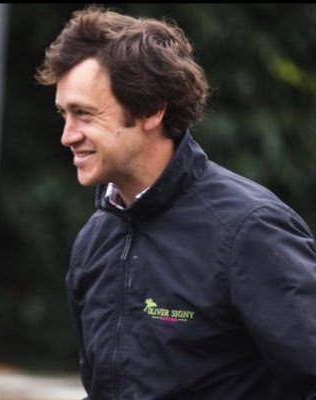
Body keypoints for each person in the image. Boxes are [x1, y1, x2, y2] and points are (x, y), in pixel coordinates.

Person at [37, 5, 316, 400]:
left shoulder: (249, 229)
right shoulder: (94, 240)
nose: (67, 135)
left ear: (151, 109)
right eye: (64, 114)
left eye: (84, 114)